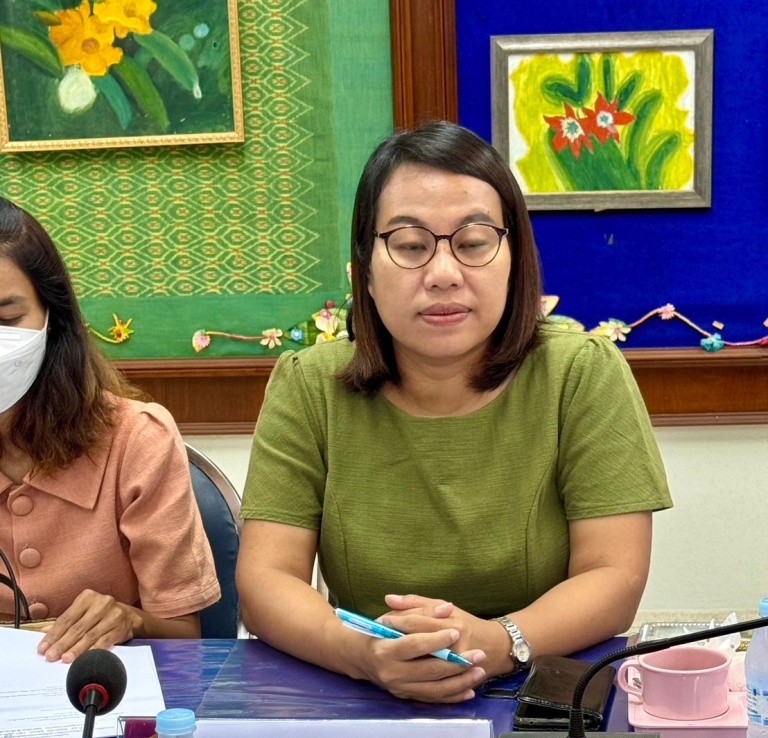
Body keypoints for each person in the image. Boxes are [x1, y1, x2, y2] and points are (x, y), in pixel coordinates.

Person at [236, 121, 672, 703]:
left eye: (472, 243)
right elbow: (265, 580)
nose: (443, 274)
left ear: (514, 258)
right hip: (361, 686)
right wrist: (362, 655)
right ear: (364, 271)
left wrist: (498, 641)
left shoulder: (581, 372)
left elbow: (613, 575)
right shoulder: (308, 384)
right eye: (411, 245)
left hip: (541, 685)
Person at [0, 197, 221, 662]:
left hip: (106, 696)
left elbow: (185, 635)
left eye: (7, 319)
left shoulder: (137, 439)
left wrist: (131, 620)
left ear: (52, 316)